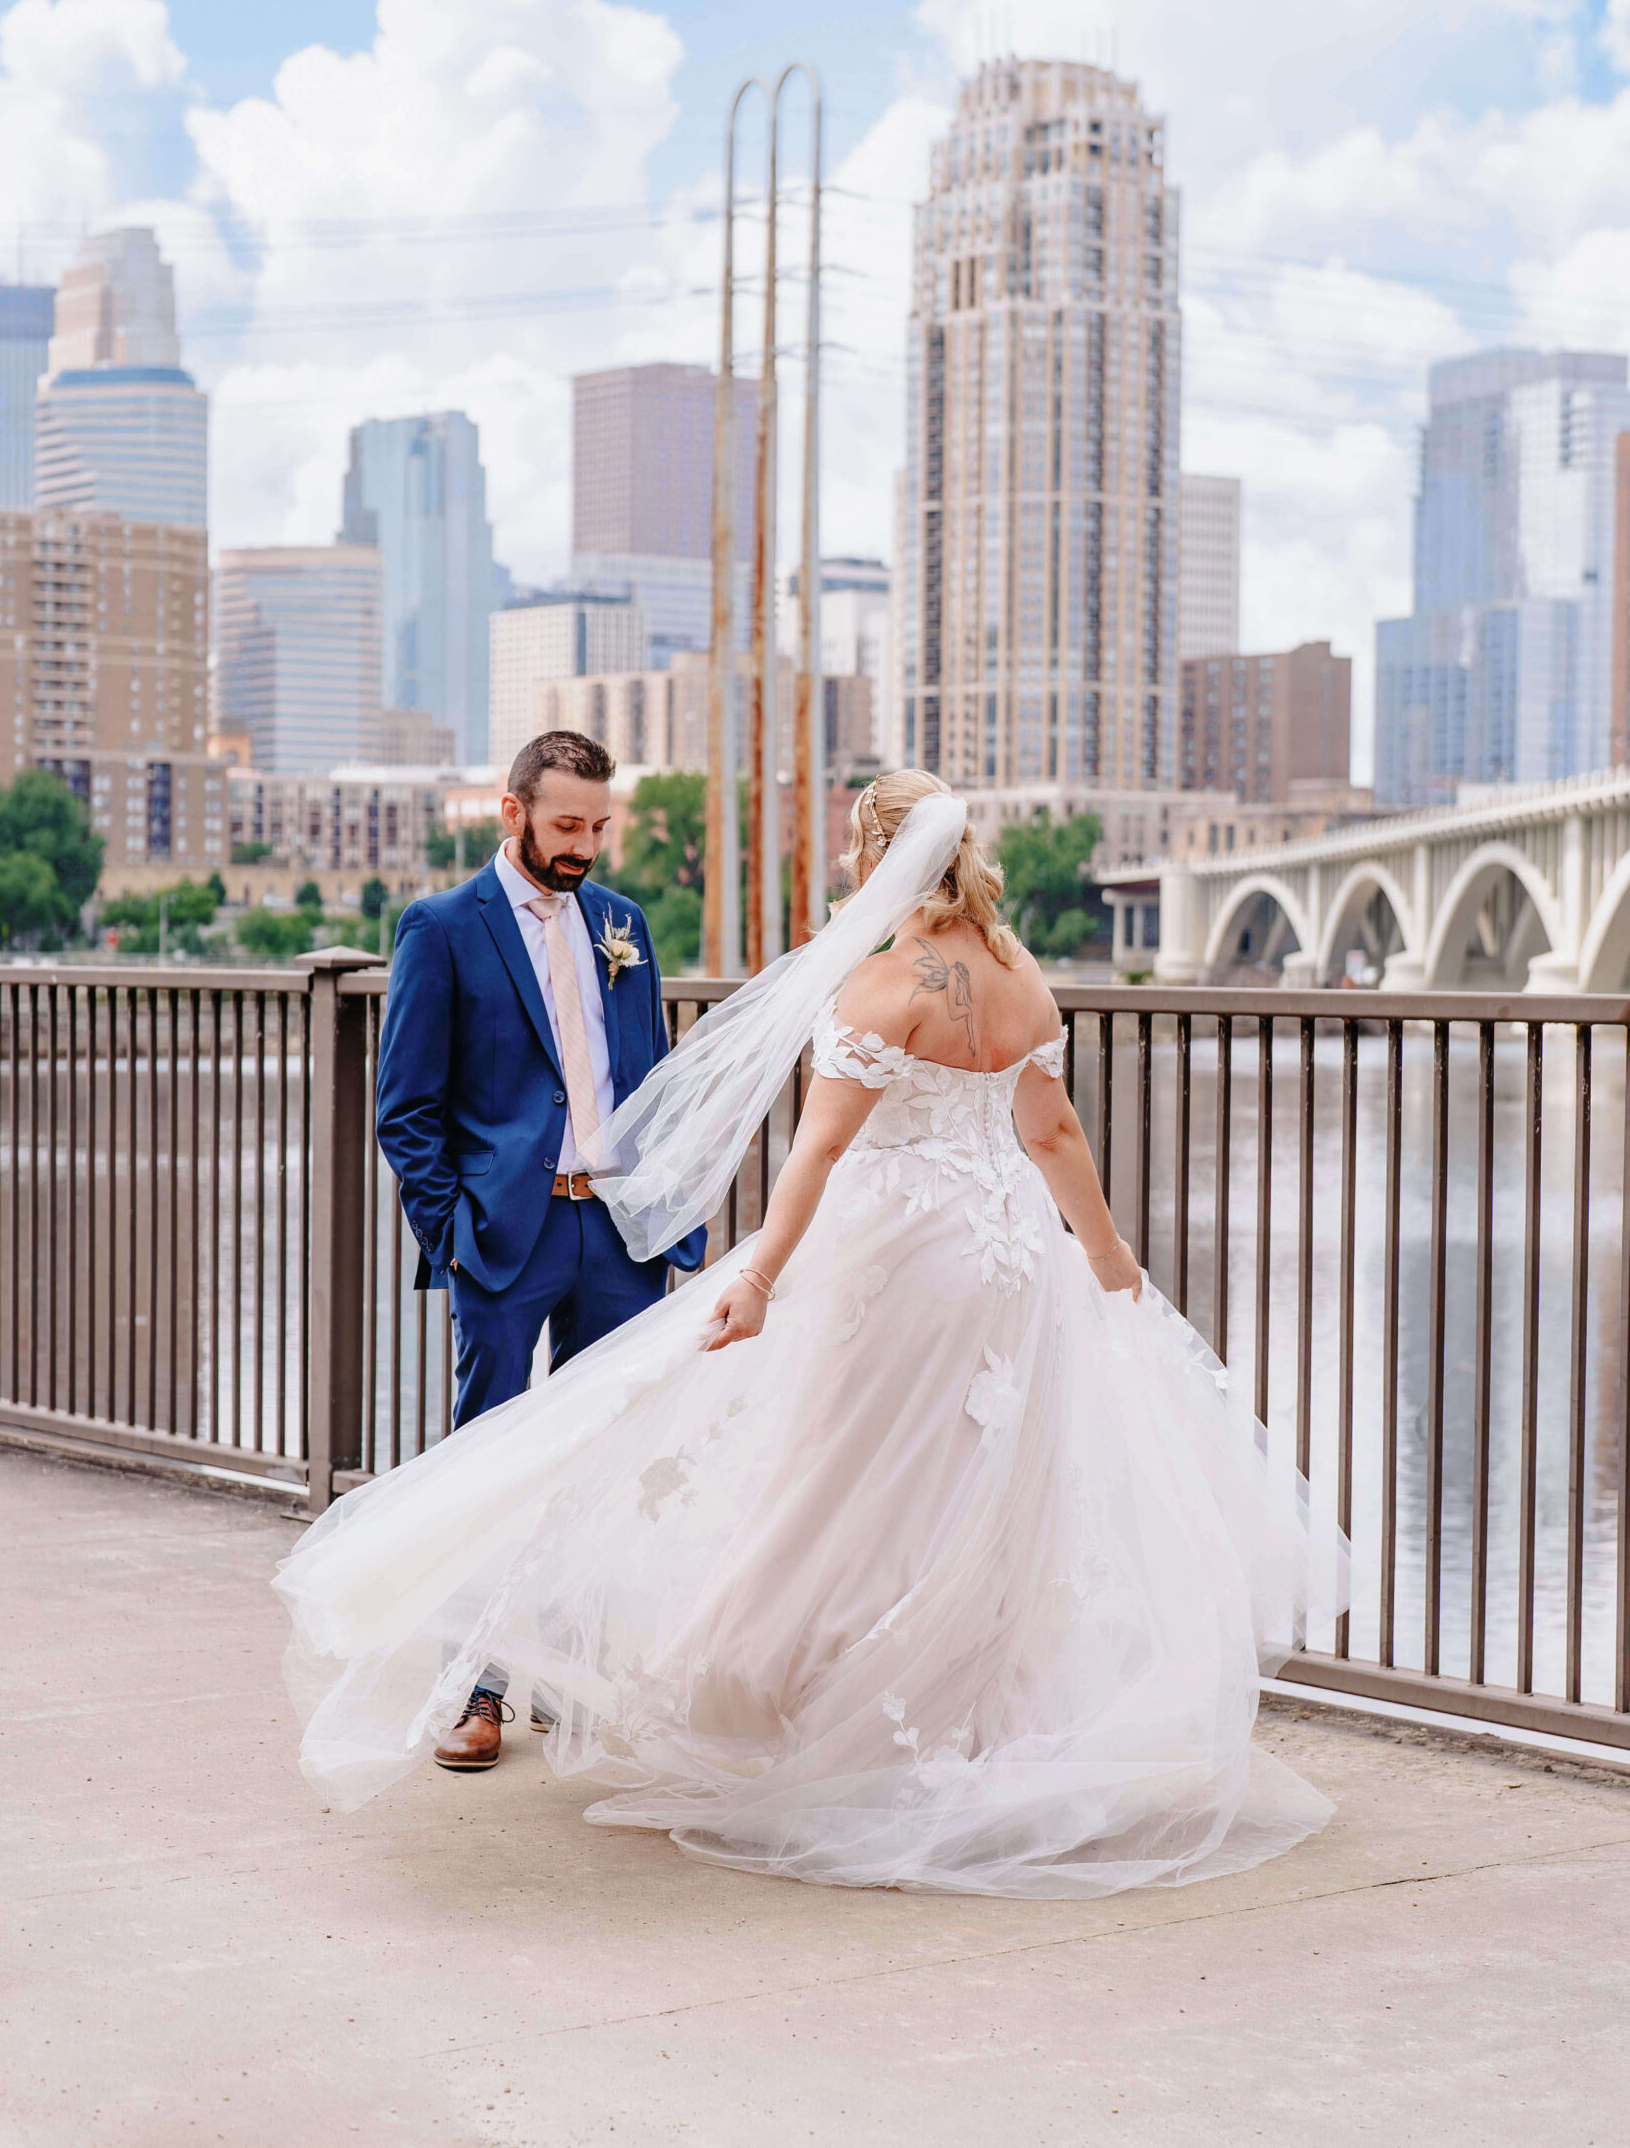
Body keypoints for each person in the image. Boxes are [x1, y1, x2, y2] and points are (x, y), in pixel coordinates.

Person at [279, 773, 1347, 1896]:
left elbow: (822, 1152)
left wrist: (760, 1278)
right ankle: (977, 1718)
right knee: (984, 1479)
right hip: (1015, 1261)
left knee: (845, 1472)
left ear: (874, 857)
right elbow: (1055, 1128)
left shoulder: (880, 986)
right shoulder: (1021, 972)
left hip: (900, 1261)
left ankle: (822, 1709)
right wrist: (1108, 1255)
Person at [372, 728, 705, 1772]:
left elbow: (649, 1081)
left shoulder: (624, 924)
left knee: (608, 1461)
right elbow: (407, 1110)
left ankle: (573, 1675)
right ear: (513, 811)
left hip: (613, 1234)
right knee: (492, 1464)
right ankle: (475, 1686)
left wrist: (665, 1214)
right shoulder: (441, 928)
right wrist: (456, 1235)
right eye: (567, 823)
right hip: (506, 1236)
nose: (586, 844)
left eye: (600, 825)